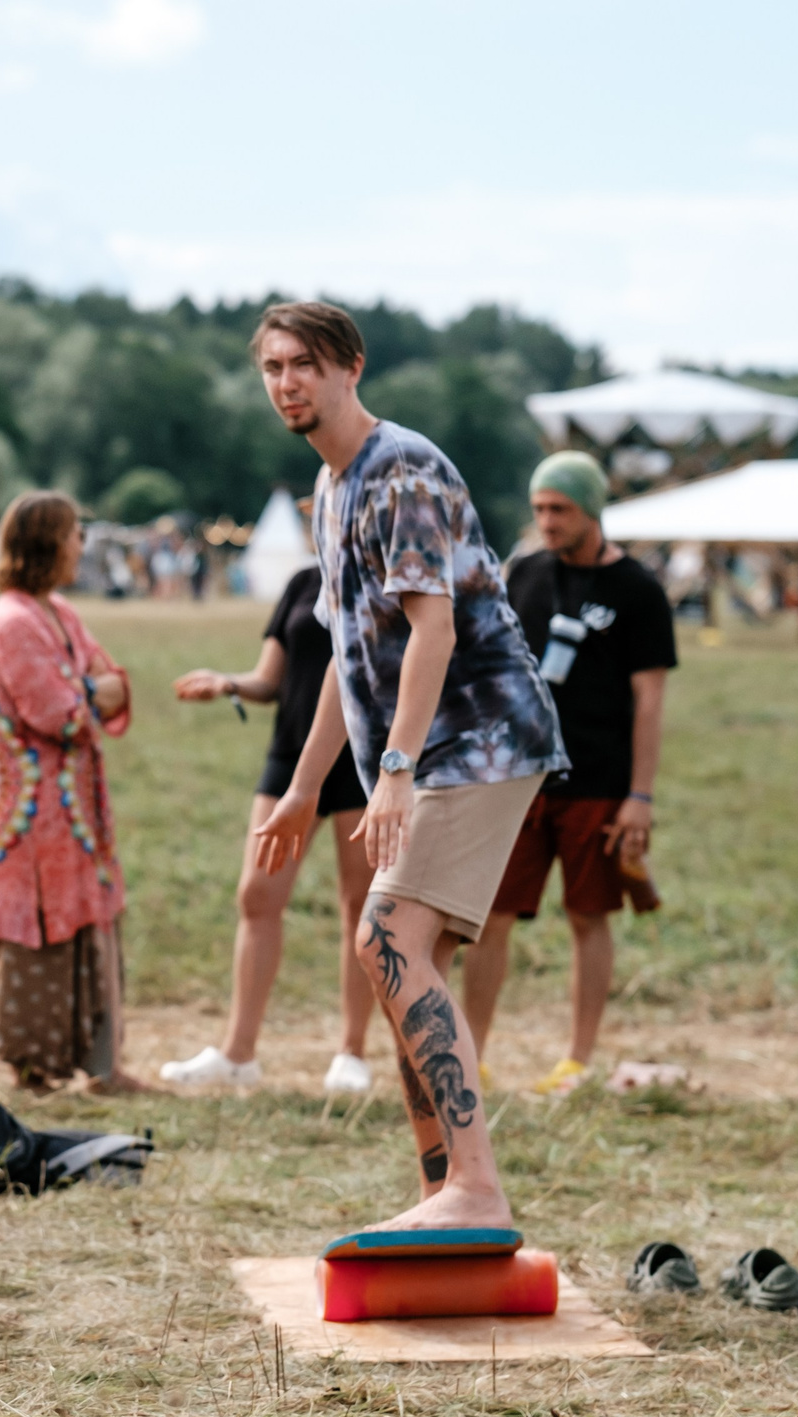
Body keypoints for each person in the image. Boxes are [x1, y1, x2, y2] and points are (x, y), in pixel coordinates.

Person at [249, 302, 564, 1235]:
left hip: (481, 735)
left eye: (304, 363)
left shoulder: (402, 470)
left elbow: (435, 627)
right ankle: (445, 1195)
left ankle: (475, 1186)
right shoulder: (330, 487)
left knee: (385, 935)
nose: (287, 383)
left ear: (351, 367)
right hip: (432, 748)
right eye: (272, 368)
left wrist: (392, 770)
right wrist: (305, 788)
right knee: (404, 963)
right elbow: (351, 661)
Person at [463, 452, 675, 1095]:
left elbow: (650, 701)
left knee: (588, 915)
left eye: (561, 510)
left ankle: (577, 1060)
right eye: (540, 509)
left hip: (600, 780)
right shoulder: (523, 572)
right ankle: (470, 1055)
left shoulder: (638, 590)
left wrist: (639, 795)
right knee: (490, 918)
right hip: (519, 778)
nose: (547, 521)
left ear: (593, 511)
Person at [163, 555, 378, 1094]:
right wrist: (228, 683)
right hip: (291, 754)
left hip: (360, 758)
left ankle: (352, 1052)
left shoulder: (386, 575)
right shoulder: (304, 582)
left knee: (359, 904)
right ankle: (239, 1053)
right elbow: (269, 681)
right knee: (257, 895)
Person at [0, 489, 140, 1093]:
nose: (82, 544)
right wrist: (91, 692)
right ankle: (34, 1071)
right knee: (38, 941)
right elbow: (60, 713)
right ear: (47, 542)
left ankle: (104, 1070)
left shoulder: (59, 612)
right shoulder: (12, 621)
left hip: (75, 817)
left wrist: (90, 691)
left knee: (92, 932)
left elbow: (110, 678)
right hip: (31, 821)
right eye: (75, 534)